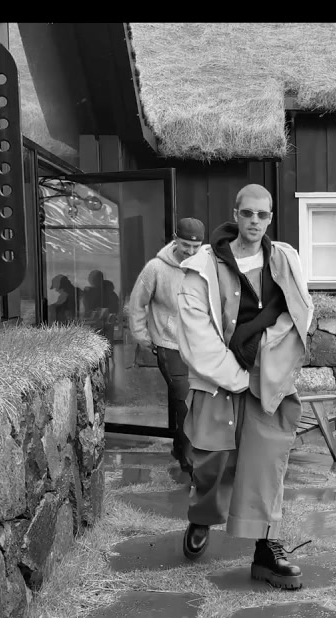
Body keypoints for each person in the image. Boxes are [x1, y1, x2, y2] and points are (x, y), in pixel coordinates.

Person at [176, 184, 314, 590]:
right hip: (217, 380)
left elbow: (300, 313)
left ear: (271, 218)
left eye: (263, 214)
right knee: (211, 463)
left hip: (266, 377)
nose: (255, 221)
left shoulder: (285, 259)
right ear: (236, 214)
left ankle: (266, 548)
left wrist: (265, 359)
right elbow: (196, 335)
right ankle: (202, 516)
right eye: (248, 213)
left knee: (265, 461)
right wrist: (237, 376)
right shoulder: (201, 267)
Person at [128, 218, 207, 476]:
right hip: (169, 345)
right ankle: (190, 463)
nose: (190, 252)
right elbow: (137, 303)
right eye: (185, 245)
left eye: (196, 247)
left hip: (200, 346)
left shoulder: (206, 265)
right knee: (186, 402)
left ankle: (179, 447)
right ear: (175, 239)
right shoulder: (155, 268)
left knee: (195, 401)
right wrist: (142, 336)